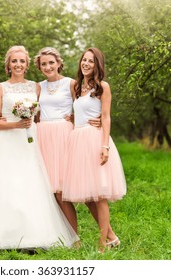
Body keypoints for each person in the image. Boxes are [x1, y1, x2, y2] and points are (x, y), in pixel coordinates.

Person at [0, 46, 79, 251]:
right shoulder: (0, 87)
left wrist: (71, 117)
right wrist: (15, 124)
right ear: (8, 65)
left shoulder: (36, 87)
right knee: (6, 186)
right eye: (14, 61)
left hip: (30, 143)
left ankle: (33, 235)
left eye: (22, 61)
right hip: (7, 142)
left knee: (32, 185)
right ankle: (4, 235)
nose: (18, 65)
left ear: (27, 64)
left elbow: (44, 114)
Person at [63, 47, 126, 253]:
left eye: (91, 61)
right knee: (87, 196)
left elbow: (106, 116)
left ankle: (102, 245)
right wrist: (72, 119)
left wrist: (105, 145)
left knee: (98, 194)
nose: (86, 64)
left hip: (95, 139)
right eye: (84, 60)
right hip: (78, 140)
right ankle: (112, 236)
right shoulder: (76, 87)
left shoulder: (102, 87)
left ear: (97, 64)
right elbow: (79, 111)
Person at [34, 47, 100, 234]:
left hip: (65, 137)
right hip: (45, 138)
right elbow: (35, 114)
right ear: (39, 67)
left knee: (80, 188)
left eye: (51, 63)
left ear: (59, 64)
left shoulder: (71, 84)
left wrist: (101, 118)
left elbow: (86, 106)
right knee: (56, 192)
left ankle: (108, 234)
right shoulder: (39, 87)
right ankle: (73, 237)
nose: (48, 67)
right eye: (44, 64)